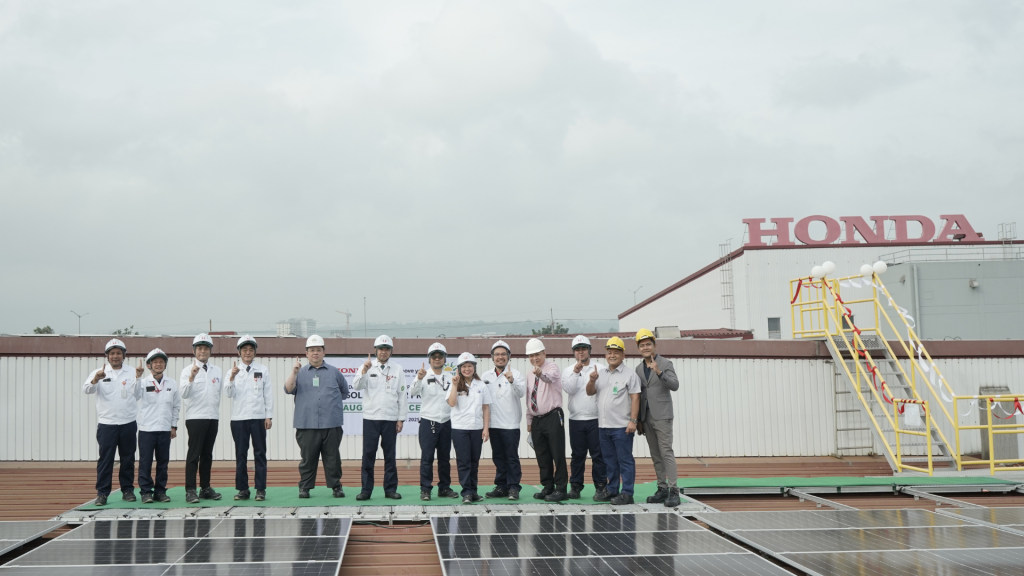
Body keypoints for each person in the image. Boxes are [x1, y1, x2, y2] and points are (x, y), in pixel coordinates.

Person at [285, 334, 348, 499]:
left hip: (331, 423)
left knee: (333, 458)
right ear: (306, 353)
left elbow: (344, 392)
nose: (315, 353)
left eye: (318, 350)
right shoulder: (299, 373)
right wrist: (294, 372)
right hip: (307, 423)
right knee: (308, 459)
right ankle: (305, 487)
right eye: (311, 350)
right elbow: (288, 389)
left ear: (324, 352)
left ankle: (336, 486)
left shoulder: (334, 372)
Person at [82, 338, 143, 506]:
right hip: (107, 424)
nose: (115, 356)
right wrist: (96, 379)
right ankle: (102, 493)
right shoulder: (99, 372)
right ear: (107, 356)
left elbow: (138, 395)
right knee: (105, 460)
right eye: (112, 353)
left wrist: (138, 378)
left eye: (118, 353)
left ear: (124, 355)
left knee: (128, 459)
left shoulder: (132, 372)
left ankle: (127, 490)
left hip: (128, 423)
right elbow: (86, 389)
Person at [352, 335, 407, 500]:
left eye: (387, 349)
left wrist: (401, 418)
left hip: (390, 418)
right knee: (368, 455)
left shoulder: (398, 369)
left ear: (391, 351)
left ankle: (390, 489)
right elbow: (356, 386)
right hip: (371, 418)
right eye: (381, 349)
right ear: (375, 350)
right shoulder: (366, 366)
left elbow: (402, 394)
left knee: (390, 456)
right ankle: (366, 490)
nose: (384, 352)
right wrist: (364, 371)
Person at [587, 337, 641, 505]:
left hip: (622, 427)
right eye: (609, 352)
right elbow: (590, 392)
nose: (612, 355)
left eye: (616, 352)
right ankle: (612, 489)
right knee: (609, 461)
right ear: (605, 355)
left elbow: (635, 398)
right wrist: (591, 380)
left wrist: (633, 420)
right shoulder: (601, 373)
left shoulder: (630, 374)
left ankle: (627, 493)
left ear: (623, 355)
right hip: (604, 426)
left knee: (625, 460)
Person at [635, 328, 681, 507]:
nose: (645, 347)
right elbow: (639, 395)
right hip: (646, 418)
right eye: (642, 345)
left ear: (654, 345)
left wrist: (659, 372)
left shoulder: (665, 363)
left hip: (662, 416)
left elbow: (675, 385)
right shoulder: (638, 369)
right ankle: (662, 488)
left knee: (666, 452)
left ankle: (674, 490)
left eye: (648, 344)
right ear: (638, 348)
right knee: (655, 455)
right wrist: (639, 419)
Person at [225, 334, 273, 501]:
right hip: (239, 419)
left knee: (260, 454)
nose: (247, 352)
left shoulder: (262, 370)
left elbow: (268, 394)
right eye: (244, 349)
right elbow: (228, 393)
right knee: (241, 455)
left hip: (258, 417)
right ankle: (242, 489)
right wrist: (232, 377)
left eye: (250, 349)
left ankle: (260, 489)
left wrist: (268, 416)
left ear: (255, 352)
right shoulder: (232, 371)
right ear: (239, 352)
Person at [410, 342, 459, 501]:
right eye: (434, 356)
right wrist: (419, 378)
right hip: (428, 422)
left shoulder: (450, 377)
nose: (437, 359)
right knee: (427, 458)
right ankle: (425, 489)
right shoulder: (423, 376)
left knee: (445, 458)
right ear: (429, 359)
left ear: (445, 358)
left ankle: (444, 488)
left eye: (440, 356)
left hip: (446, 421)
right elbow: (412, 392)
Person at [561, 335, 607, 500]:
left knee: (598, 455)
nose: (581, 352)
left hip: (596, 419)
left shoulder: (600, 368)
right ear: (573, 352)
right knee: (577, 455)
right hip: (576, 419)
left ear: (589, 350)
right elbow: (569, 389)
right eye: (577, 350)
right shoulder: (568, 370)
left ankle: (601, 487)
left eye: (584, 349)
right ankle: (575, 486)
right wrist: (576, 372)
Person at [524, 338, 568, 502]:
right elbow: (529, 397)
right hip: (537, 419)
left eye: (537, 354)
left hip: (552, 416)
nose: (534, 358)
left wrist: (540, 374)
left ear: (544, 353)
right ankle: (547, 486)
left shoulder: (552, 367)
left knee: (557, 453)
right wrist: (529, 420)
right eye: (531, 356)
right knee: (542, 455)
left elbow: (549, 378)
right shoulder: (529, 374)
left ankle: (561, 488)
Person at [180, 333, 223, 504]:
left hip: (212, 417)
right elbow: (184, 394)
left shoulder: (217, 371)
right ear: (194, 351)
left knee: (207, 455)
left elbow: (218, 394)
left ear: (210, 351)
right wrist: (191, 377)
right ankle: (190, 490)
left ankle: (205, 487)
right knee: (194, 455)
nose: (202, 351)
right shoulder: (186, 370)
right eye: (199, 348)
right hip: (196, 418)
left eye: (206, 348)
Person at [481, 340, 525, 500]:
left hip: (510, 424)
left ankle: (513, 487)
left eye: (503, 354)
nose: (500, 357)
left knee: (511, 457)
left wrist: (512, 381)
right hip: (493, 424)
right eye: (497, 354)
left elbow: (521, 393)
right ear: (492, 357)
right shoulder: (485, 376)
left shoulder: (516, 374)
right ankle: (501, 486)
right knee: (498, 457)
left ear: (509, 356)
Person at [136, 348, 181, 504]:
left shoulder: (172, 383)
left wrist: (174, 426)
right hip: (147, 430)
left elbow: (176, 406)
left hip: (164, 429)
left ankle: (160, 491)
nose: (158, 364)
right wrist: (137, 378)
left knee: (163, 463)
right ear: (149, 365)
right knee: (145, 462)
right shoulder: (142, 383)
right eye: (155, 362)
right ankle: (146, 492)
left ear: (165, 364)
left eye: (161, 362)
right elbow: (134, 395)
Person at [447, 352, 491, 504]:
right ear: (459, 368)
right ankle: (466, 492)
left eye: (470, 366)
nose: (467, 369)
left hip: (477, 428)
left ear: (474, 367)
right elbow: (452, 403)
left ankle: (473, 491)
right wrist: (454, 385)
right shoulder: (455, 383)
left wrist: (486, 428)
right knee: (464, 462)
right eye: (464, 366)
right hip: (460, 428)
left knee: (474, 462)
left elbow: (486, 408)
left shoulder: (481, 384)